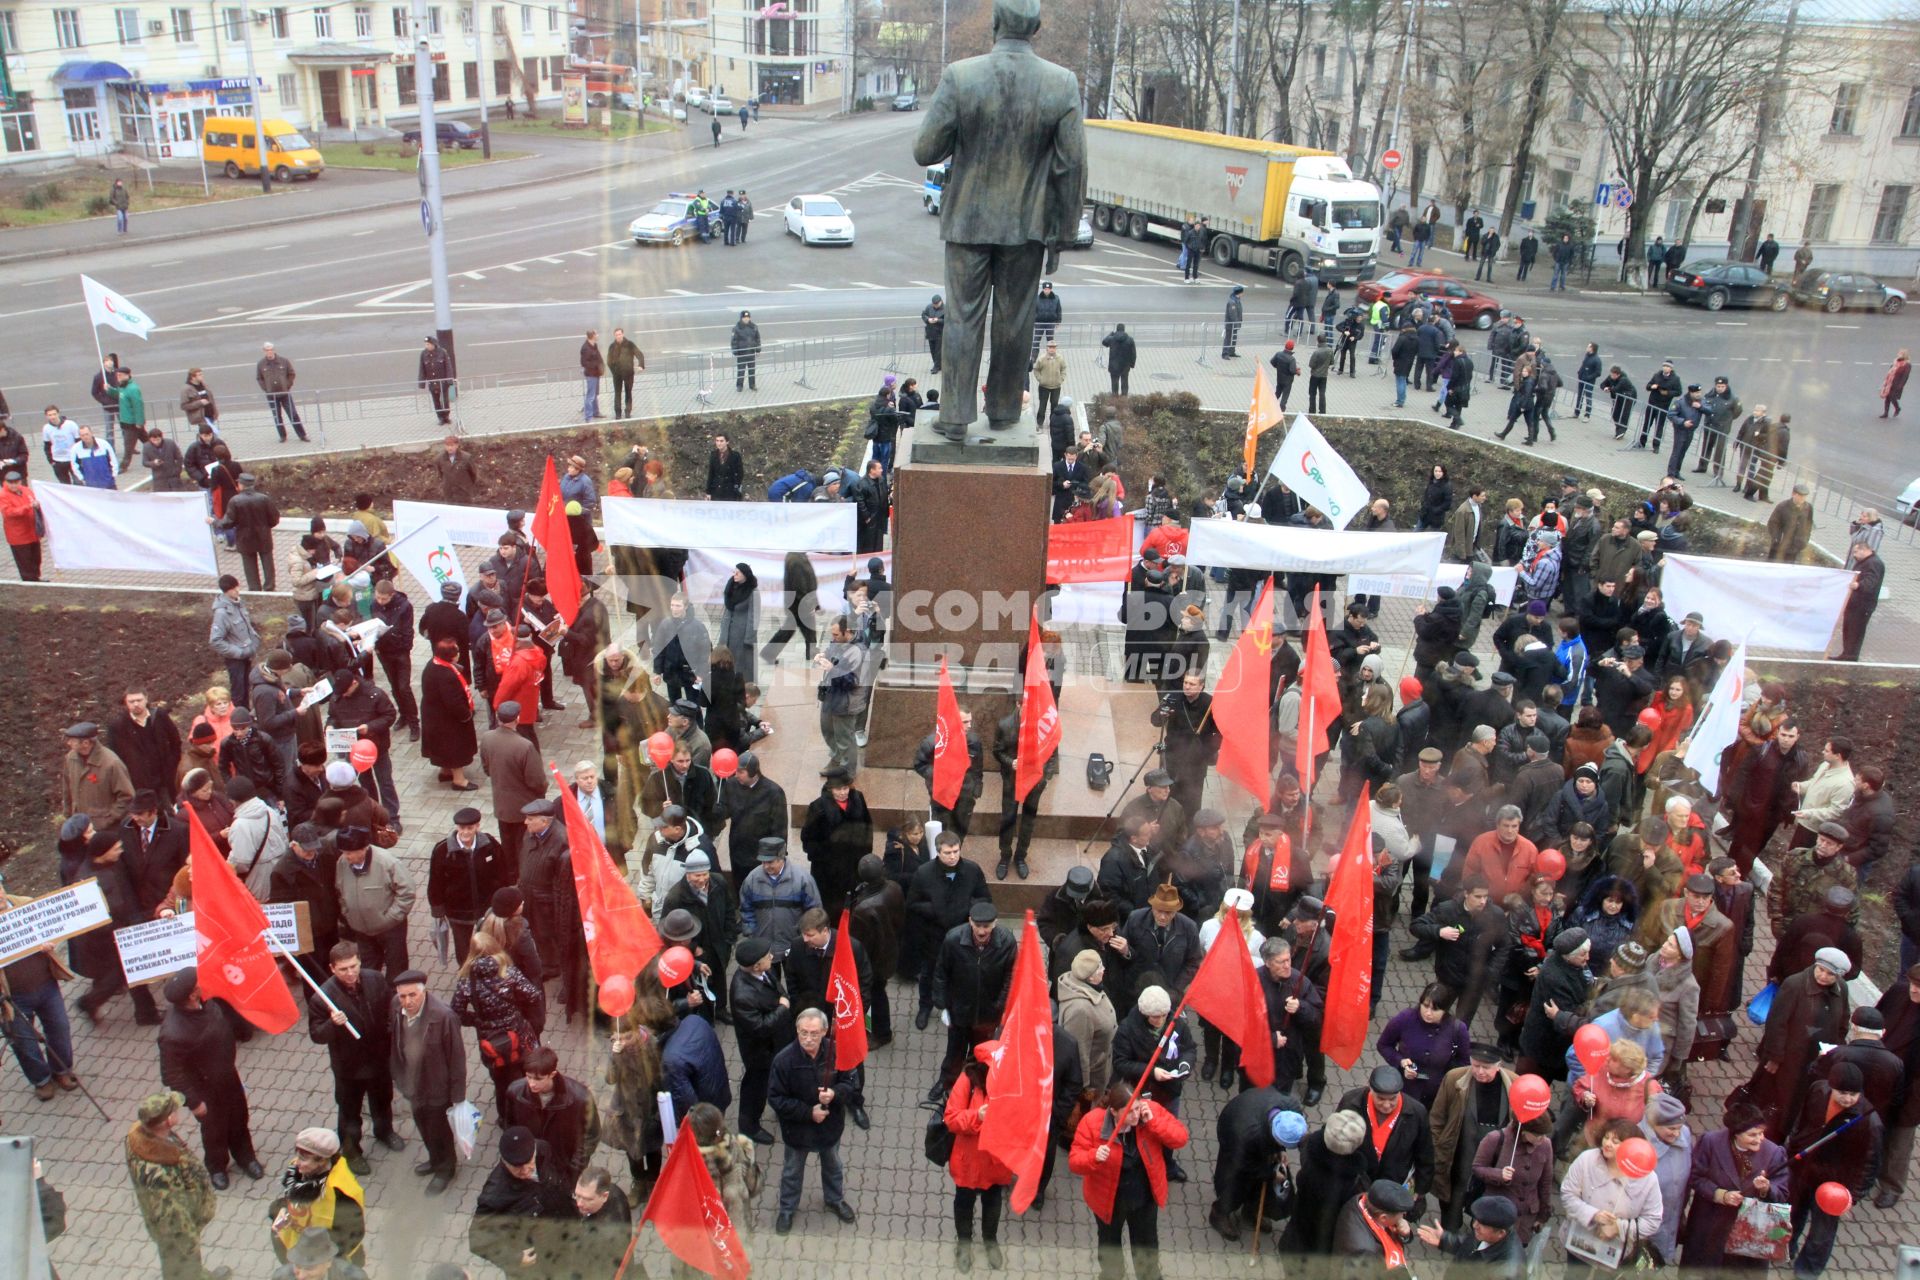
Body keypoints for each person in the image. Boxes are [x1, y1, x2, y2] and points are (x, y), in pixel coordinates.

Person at [1069, 1079, 1190, 1280]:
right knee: (1110, 1248)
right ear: (1114, 1112)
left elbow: (1180, 1138)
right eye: (1129, 1112)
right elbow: (1075, 1162)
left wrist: (1154, 1122)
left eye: (1136, 1108)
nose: (1135, 1116)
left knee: (1146, 1248)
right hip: (1108, 1202)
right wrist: (1093, 1157)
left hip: (1143, 1199)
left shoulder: (1149, 1111)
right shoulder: (1092, 1123)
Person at [157, 967, 263, 1190]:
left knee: (238, 1118)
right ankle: (217, 1167)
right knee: (214, 1130)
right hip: (204, 1088)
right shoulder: (172, 1033)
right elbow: (172, 1075)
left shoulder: (209, 1002)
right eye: (199, 983)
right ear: (192, 994)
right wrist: (194, 1102)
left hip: (228, 1076)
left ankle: (246, 1157)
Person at [768, 1007, 861, 1233]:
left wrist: (835, 1094)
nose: (808, 1039)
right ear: (797, 1031)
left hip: (829, 1127)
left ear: (825, 1032)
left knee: (833, 1166)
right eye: (803, 1033)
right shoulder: (783, 1061)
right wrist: (808, 1112)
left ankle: (834, 1199)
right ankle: (787, 1209)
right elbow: (776, 1098)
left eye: (814, 1033)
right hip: (798, 1131)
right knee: (792, 1171)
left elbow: (852, 1084)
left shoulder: (837, 1053)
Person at [126, 1089, 232, 1280]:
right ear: (168, 1121)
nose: (179, 1111)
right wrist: (190, 1244)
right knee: (183, 1269)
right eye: (175, 1110)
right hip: (177, 1237)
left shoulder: (146, 1136)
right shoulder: (160, 1175)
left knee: (185, 1269)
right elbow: (175, 1218)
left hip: (172, 1227)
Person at [1786, 1062, 1875, 1277]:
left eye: (1853, 1094)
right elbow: (1802, 1119)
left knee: (1821, 1232)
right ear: (1831, 1086)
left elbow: (1870, 1164)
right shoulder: (1818, 1090)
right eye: (1842, 1092)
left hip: (1834, 1184)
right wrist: (1793, 1144)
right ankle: (1786, 1248)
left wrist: (1852, 1197)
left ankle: (1807, 1270)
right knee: (1793, 1214)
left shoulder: (1868, 1121)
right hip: (1804, 1169)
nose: (1847, 1099)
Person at [1679, 1101, 1790, 1269]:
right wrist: (1721, 1195)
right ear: (1736, 1133)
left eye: (1761, 1133)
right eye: (1753, 1135)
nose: (1760, 1139)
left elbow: (1782, 1192)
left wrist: (1766, 1189)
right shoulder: (1710, 1142)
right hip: (1710, 1225)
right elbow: (1695, 1177)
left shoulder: (1774, 1153)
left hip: (1750, 1233)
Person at [468, 1125, 574, 1274]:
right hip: (534, 1262)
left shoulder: (543, 1149)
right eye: (516, 1167)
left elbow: (561, 1174)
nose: (525, 1171)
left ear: (535, 1151)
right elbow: (477, 1240)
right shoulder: (494, 1194)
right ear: (504, 1161)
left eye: (528, 1162)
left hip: (562, 1236)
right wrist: (514, 1258)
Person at [267, 1129, 366, 1268]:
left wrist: (321, 1265)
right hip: (299, 1248)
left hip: (327, 1260)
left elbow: (350, 1236)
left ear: (322, 1160)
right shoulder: (300, 1169)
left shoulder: (341, 1191)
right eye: (298, 1155)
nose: (297, 1163)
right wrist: (278, 1211)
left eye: (303, 1158)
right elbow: (291, 1201)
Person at [1830, 539, 1885, 661]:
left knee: (1855, 631)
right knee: (1849, 629)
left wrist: (1858, 585)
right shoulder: (1867, 561)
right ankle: (1847, 654)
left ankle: (1850, 656)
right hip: (1856, 603)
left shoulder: (1873, 563)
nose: (1854, 555)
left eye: (1856, 552)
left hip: (1862, 605)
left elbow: (1871, 582)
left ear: (1864, 550)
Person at [256, 342, 308, 443]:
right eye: (267, 350)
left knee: (293, 414)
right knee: (277, 416)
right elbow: (259, 378)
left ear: (274, 350)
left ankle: (302, 435)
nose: (269, 352)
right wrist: (266, 389)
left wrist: (287, 386)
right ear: (264, 351)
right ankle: (282, 436)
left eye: (271, 349)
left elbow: (291, 374)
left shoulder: (284, 361)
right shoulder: (261, 364)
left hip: (285, 394)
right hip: (272, 395)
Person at [606, 327, 644, 418]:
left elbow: (639, 354)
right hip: (617, 374)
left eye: (619, 334)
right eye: (616, 335)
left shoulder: (630, 344)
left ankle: (628, 411)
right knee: (617, 393)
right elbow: (608, 361)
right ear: (614, 336)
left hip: (628, 373)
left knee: (628, 392)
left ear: (623, 334)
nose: (618, 336)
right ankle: (618, 413)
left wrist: (641, 365)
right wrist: (613, 371)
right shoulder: (612, 346)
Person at [730, 311, 762, 391]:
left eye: (748, 317)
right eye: (744, 318)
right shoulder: (737, 328)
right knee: (741, 370)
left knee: (752, 370)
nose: (746, 319)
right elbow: (734, 341)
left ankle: (752, 385)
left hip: (751, 352)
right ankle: (739, 386)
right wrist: (735, 351)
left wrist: (758, 350)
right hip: (742, 353)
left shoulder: (754, 327)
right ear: (741, 318)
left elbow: (757, 339)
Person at [1883, 348, 1911, 418]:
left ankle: (1897, 408)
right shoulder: (1895, 362)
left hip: (1897, 384)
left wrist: (1900, 385)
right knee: (1887, 397)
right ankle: (1885, 413)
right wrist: (1887, 380)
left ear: (1904, 355)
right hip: (1890, 382)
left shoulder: (1907, 365)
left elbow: (1905, 376)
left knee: (1893, 397)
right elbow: (1890, 370)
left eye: (1899, 353)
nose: (1897, 354)